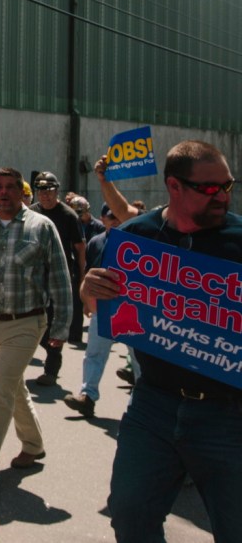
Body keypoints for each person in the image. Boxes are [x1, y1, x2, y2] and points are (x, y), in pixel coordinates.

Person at [82, 140, 242, 542]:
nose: (222, 196)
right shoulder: (137, 238)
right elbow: (96, 305)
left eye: (228, 185)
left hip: (228, 414)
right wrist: (90, 287)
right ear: (174, 186)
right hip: (153, 405)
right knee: (129, 516)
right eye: (210, 188)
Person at [0, 167, 72, 469]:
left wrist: (62, 326)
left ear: (21, 191)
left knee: (0, 389)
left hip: (27, 323)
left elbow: (59, 278)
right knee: (15, 387)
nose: (4, 193)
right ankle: (34, 444)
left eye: (11, 187)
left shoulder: (41, 227)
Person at [63, 204, 138, 417]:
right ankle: (87, 396)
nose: (114, 220)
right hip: (103, 308)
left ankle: (142, 401)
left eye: (117, 216)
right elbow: (88, 275)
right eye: (109, 216)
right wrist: (87, 302)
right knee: (94, 353)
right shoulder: (96, 242)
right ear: (102, 219)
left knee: (138, 358)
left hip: (130, 308)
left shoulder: (134, 244)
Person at [30, 170, 86, 379]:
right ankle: (48, 348)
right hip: (35, 276)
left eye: (49, 191)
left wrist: (81, 276)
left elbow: (80, 248)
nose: (45, 196)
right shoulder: (31, 212)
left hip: (59, 276)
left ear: (57, 191)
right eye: (41, 192)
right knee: (35, 320)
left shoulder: (68, 216)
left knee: (56, 321)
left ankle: (51, 370)